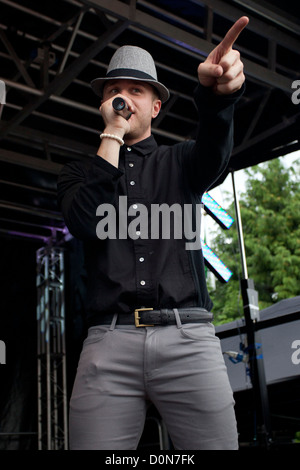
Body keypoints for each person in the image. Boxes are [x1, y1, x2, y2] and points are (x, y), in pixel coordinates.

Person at [57, 16, 249, 450]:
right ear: (102, 103)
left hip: (188, 337)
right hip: (108, 341)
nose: (122, 97)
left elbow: (216, 153)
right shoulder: (78, 174)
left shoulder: (182, 162)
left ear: (156, 106)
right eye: (113, 90)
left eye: (135, 90)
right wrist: (113, 134)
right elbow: (85, 222)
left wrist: (218, 97)